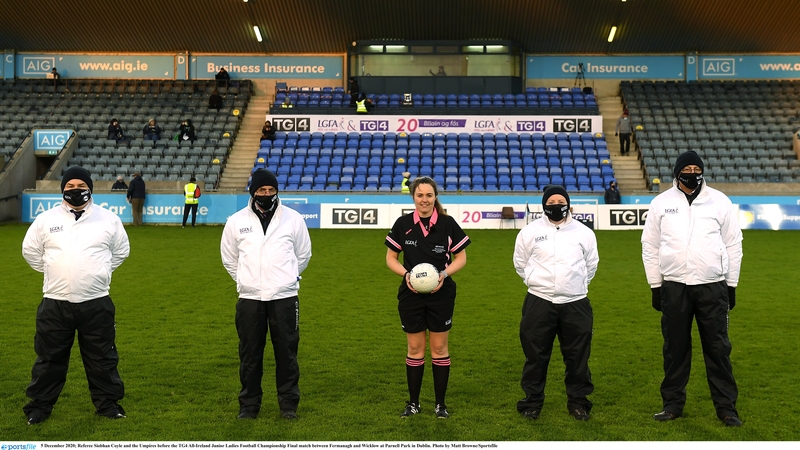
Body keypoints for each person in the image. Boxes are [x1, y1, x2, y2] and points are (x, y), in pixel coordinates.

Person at [641, 151, 744, 427]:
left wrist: (730, 284)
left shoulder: (719, 201)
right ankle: (672, 405)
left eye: (696, 168)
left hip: (712, 287)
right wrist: (655, 285)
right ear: (676, 172)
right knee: (675, 349)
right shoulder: (661, 203)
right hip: (674, 287)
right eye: (686, 168)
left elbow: (734, 244)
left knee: (718, 349)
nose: (691, 172)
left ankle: (726, 409)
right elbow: (649, 246)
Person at [21, 166, 130, 425]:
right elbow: (31, 252)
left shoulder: (108, 219)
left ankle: (107, 405)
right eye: (70, 186)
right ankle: (40, 407)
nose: (75, 190)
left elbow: (121, 251)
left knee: (102, 357)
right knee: (49, 359)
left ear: (90, 188)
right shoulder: (46, 219)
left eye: (80, 186)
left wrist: (97, 272)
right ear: (63, 189)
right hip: (55, 303)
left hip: (96, 302)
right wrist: (55, 271)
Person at [220, 169, 312, 421]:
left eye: (271, 190)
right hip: (250, 299)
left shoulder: (292, 219)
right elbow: (229, 259)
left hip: (284, 297)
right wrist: (246, 281)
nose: (267, 195)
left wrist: (287, 278)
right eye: (262, 191)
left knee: (287, 353)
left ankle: (288, 405)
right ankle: (249, 406)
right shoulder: (236, 221)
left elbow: (303, 255)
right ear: (253, 192)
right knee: (250, 354)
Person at [384, 176, 471, 419]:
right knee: (414, 348)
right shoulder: (403, 224)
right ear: (413, 197)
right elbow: (391, 258)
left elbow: (461, 259)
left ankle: (440, 405)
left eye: (429, 195)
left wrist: (443, 274)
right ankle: (413, 404)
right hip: (410, 294)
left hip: (441, 294)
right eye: (420, 195)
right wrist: (407, 275)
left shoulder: (447, 223)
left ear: (435, 197)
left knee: (440, 348)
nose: (424, 200)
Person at [513, 185, 599, 421]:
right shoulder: (529, 232)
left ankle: (578, 403)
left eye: (561, 200)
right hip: (539, 302)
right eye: (551, 202)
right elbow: (520, 264)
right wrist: (537, 283)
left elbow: (591, 265)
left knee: (578, 357)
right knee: (535, 356)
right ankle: (531, 403)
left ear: (568, 204)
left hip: (576, 303)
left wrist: (575, 286)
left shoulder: (583, 232)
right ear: (544, 206)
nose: (556, 205)